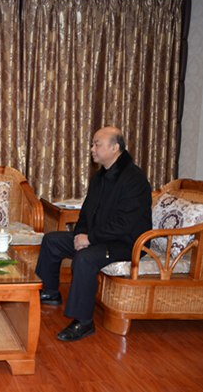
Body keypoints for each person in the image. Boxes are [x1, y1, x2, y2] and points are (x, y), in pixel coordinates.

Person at [35, 126, 152, 342]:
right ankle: (50, 291)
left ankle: (84, 322)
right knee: (52, 240)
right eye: (92, 144)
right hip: (99, 238)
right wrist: (80, 234)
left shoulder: (134, 179)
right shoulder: (100, 177)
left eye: (97, 144)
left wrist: (90, 239)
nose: (92, 149)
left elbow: (125, 224)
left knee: (85, 258)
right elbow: (87, 213)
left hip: (126, 243)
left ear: (115, 148)